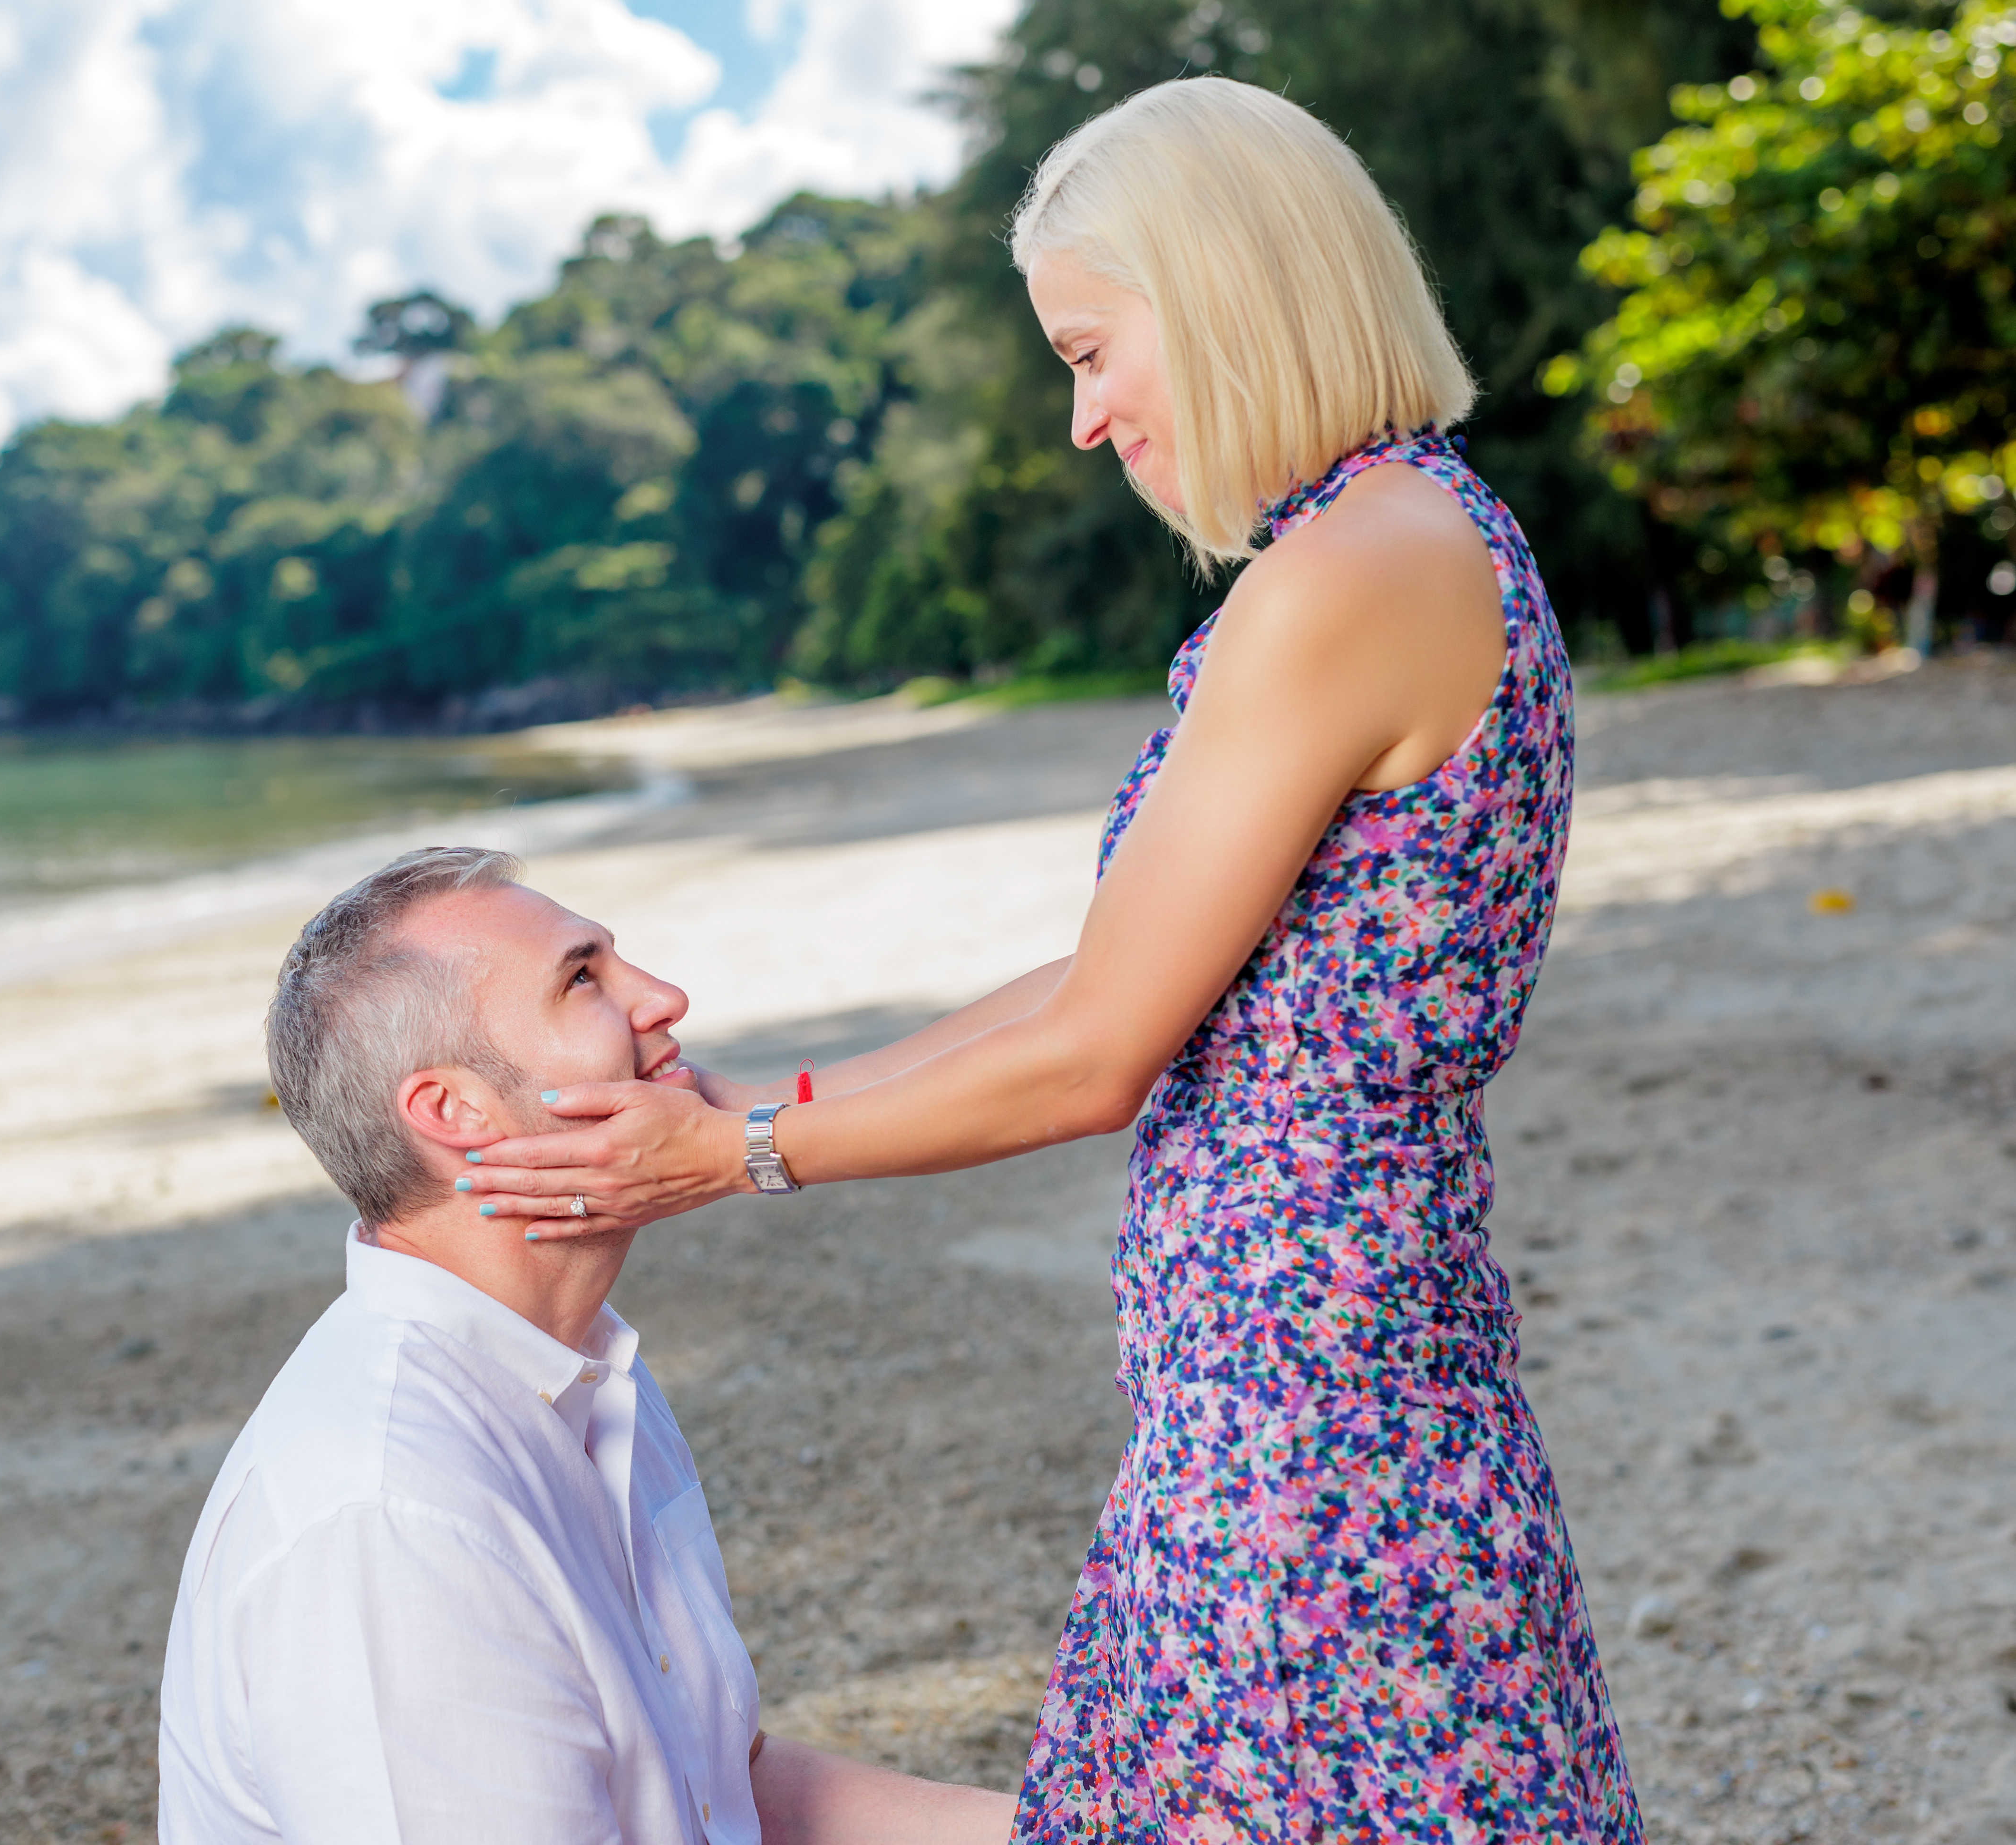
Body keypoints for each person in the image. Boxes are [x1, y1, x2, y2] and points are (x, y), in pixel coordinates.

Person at [462, 77, 1646, 1845]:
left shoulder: (1345, 575)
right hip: (1316, 1340)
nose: (1087, 421)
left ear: (1224, 294)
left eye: (1093, 352)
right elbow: (1122, 975)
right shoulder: (1415, 536)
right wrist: (768, 1098)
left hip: (1304, 1379)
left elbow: (1100, 1050)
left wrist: (741, 1156)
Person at [157, 845, 1017, 1845]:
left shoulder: (569, 1366)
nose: (664, 997)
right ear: (455, 1111)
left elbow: (717, 1781)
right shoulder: (395, 1517)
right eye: (582, 978)